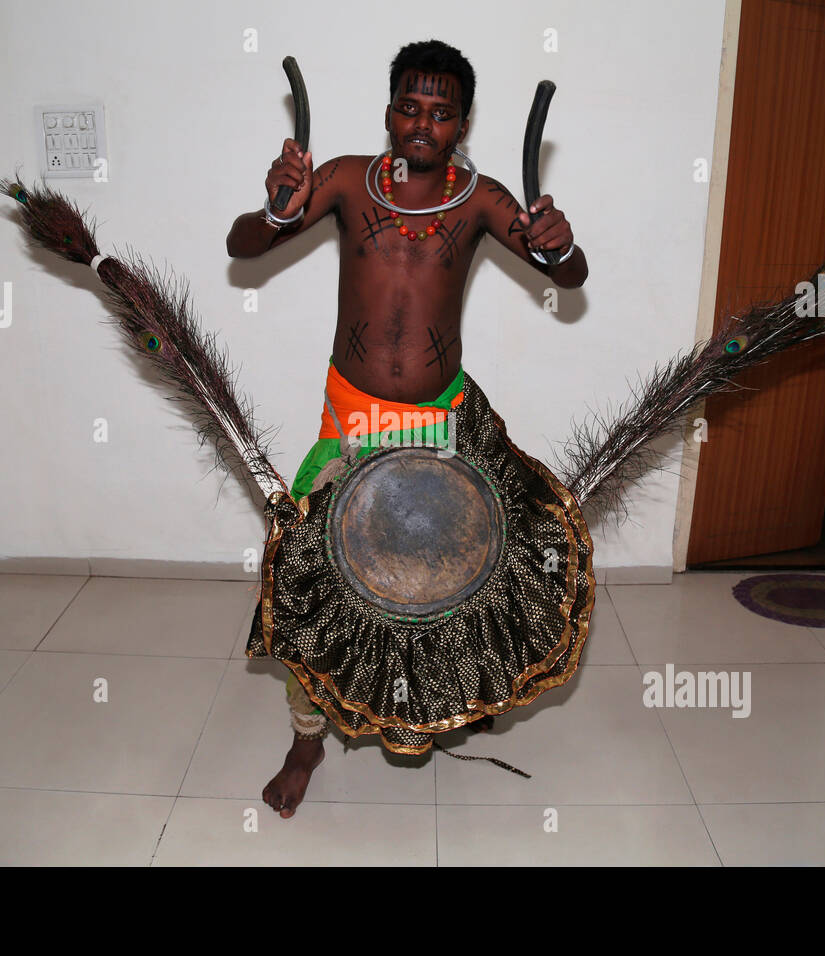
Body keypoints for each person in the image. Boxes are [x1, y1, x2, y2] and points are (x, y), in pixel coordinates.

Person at [226, 39, 587, 818]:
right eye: (410, 107)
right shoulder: (347, 182)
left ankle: (445, 703)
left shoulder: (481, 198)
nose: (423, 124)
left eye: (442, 112)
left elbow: (570, 274)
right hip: (349, 420)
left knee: (442, 593)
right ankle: (305, 735)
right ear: (390, 110)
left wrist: (560, 248)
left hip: (439, 427)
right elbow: (242, 246)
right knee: (306, 587)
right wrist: (274, 209)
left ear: (462, 123)